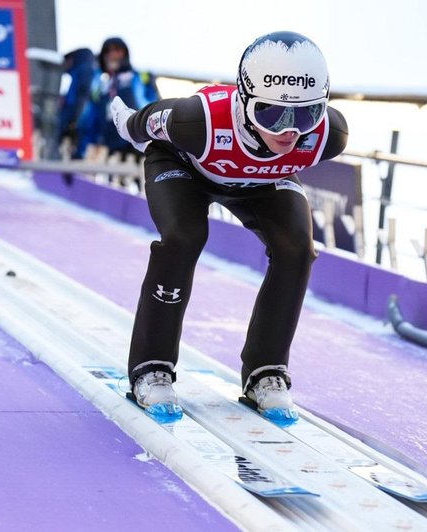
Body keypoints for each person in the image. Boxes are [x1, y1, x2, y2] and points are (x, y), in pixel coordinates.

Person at [110, 30, 349, 423]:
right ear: (244, 100)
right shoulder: (197, 121)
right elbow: (143, 122)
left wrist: (283, 137)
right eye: (272, 114)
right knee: (184, 237)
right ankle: (150, 367)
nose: (290, 131)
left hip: (263, 180)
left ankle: (265, 372)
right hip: (186, 165)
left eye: (306, 115)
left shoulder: (327, 135)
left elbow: (296, 134)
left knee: (297, 249)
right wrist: (124, 120)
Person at [90, 37, 160, 161]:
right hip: (111, 150)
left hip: (140, 146)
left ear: (125, 53)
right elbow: (94, 119)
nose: (112, 54)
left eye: (117, 50)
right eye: (107, 51)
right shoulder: (101, 86)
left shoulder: (141, 77)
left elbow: (155, 106)